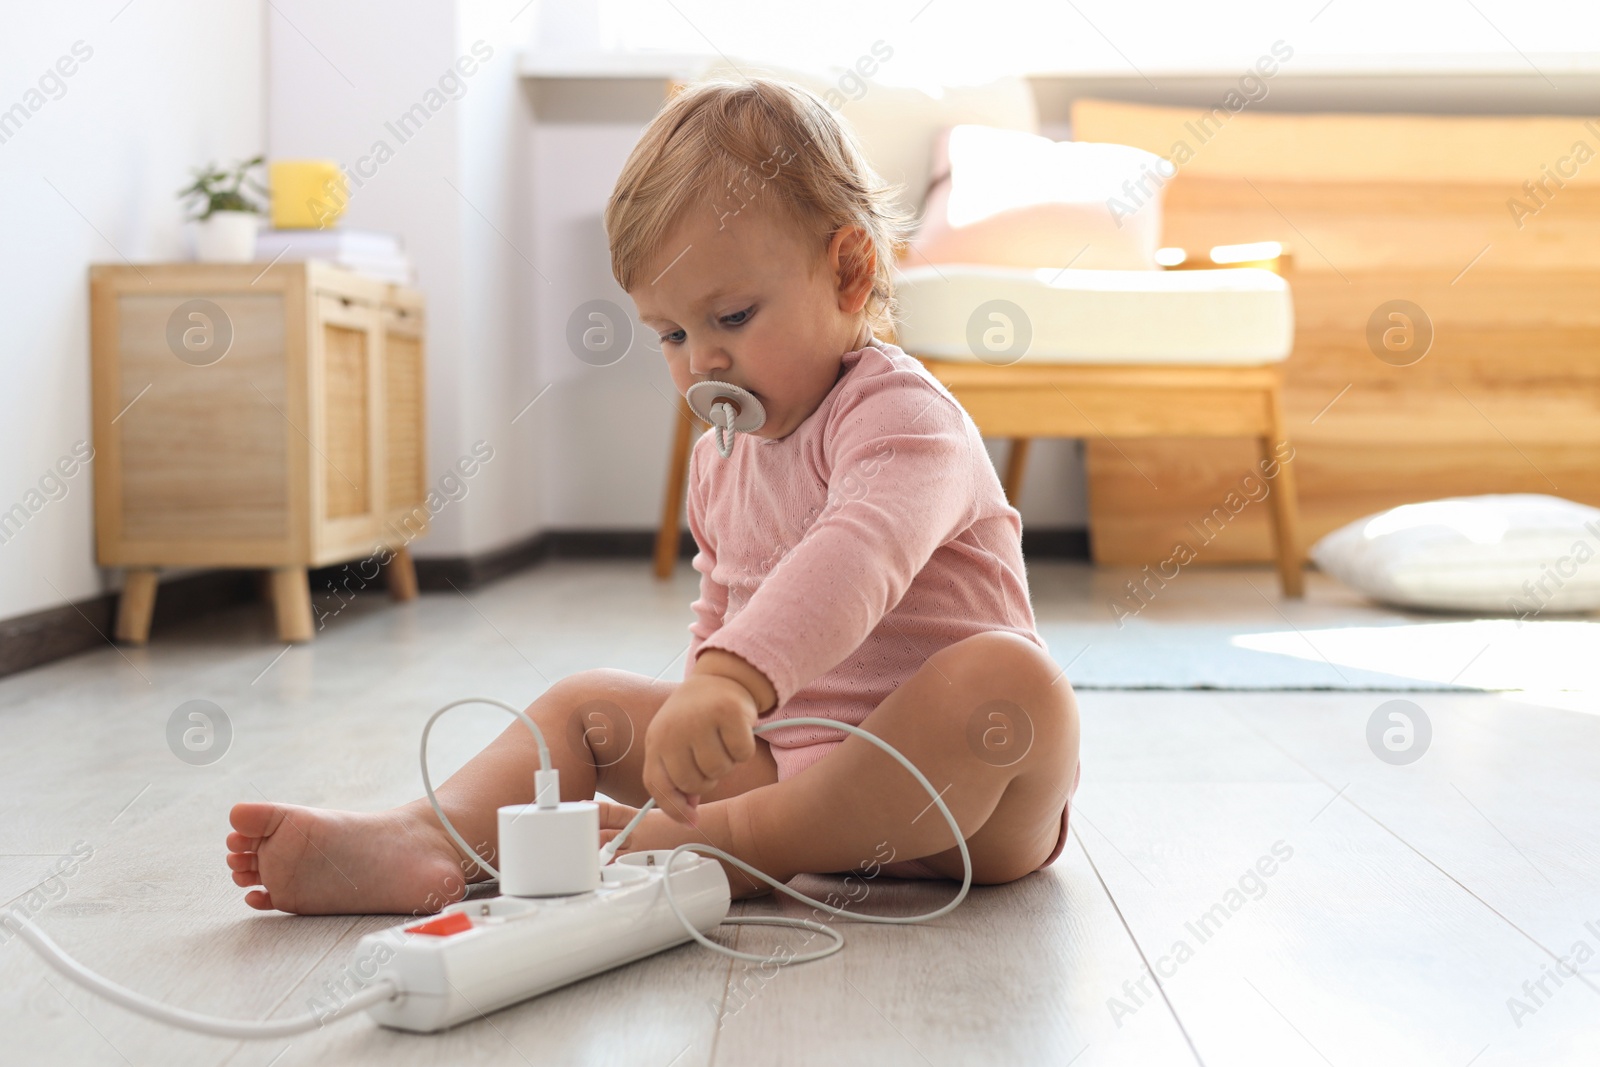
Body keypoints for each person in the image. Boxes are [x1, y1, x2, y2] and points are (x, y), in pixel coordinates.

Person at [224, 77, 1080, 914]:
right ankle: (431, 836)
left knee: (1009, 684)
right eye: (670, 333)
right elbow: (726, 606)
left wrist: (729, 680)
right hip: (794, 772)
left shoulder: (903, 417)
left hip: (966, 800)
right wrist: (699, 728)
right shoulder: (721, 455)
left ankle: (734, 842)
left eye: (732, 317)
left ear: (850, 272)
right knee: (582, 705)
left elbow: (859, 554)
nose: (701, 361)